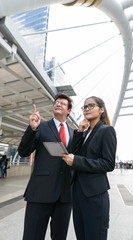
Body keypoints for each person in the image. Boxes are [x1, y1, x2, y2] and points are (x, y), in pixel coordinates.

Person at [18, 93, 74, 240]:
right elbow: (23, 152)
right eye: (56, 102)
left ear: (69, 111)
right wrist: (31, 129)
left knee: (59, 237)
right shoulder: (40, 127)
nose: (58, 104)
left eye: (62, 103)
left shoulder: (75, 133)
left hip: (65, 196)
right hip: (40, 193)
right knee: (32, 236)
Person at [61, 96, 117, 240]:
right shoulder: (84, 133)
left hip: (95, 195)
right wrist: (79, 132)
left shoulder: (107, 131)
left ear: (101, 110)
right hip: (78, 194)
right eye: (85, 107)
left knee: (94, 235)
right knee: (81, 235)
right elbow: (73, 153)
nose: (86, 109)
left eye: (91, 106)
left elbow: (108, 164)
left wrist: (77, 161)